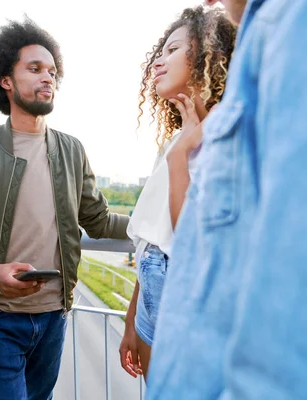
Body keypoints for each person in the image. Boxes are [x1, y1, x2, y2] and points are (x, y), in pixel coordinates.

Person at [147, 0, 307, 398]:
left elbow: (292, 307)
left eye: (173, 50)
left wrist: (179, 161)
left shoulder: (296, 22)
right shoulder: (269, 32)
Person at [0, 17, 130, 400]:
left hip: (54, 317)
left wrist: (158, 225)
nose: (47, 78)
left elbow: (97, 220)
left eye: (52, 71)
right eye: (34, 69)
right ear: (6, 80)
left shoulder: (72, 149)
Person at [118, 6, 236, 380]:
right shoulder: (176, 141)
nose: (157, 62)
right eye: (160, 51)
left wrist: (182, 156)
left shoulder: (227, 132)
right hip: (154, 286)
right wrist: (132, 320)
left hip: (185, 291)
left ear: (208, 56)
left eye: (172, 50)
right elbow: (152, 239)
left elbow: (189, 242)